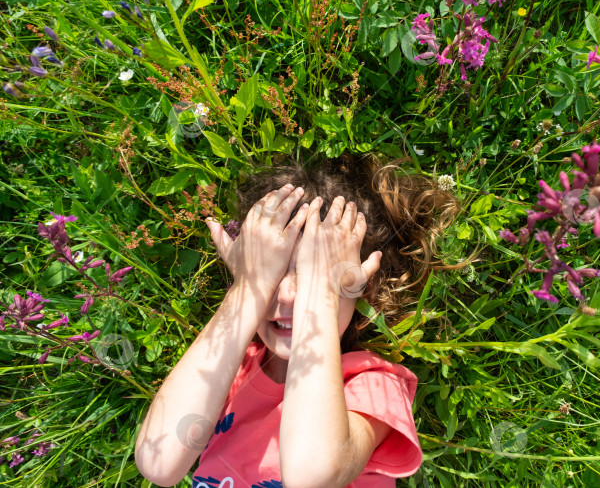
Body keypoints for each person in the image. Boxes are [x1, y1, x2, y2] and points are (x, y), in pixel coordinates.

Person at [134, 151, 477, 487]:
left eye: (312, 276)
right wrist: (247, 288)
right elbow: (159, 461)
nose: (286, 295)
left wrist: (321, 295)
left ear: (364, 288)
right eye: (273, 274)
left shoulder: (370, 383)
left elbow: (310, 476)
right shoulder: (234, 368)